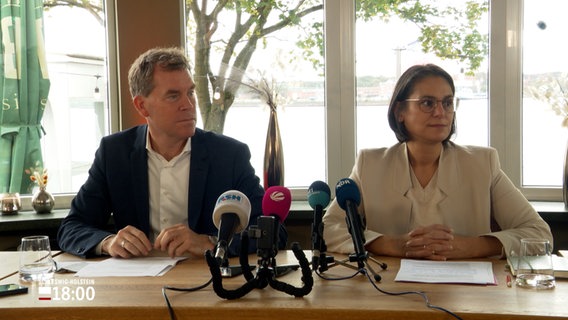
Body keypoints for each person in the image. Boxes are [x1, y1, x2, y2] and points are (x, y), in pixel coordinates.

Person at [57, 47, 286, 258]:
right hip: (137, 287)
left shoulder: (229, 155)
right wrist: (108, 242)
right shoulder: (114, 153)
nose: (188, 104)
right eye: (173, 96)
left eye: (191, 93)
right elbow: (72, 227)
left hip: (206, 283)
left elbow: (272, 232)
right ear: (142, 106)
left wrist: (210, 242)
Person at [322, 64, 552, 261]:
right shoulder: (370, 164)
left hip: (468, 294)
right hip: (390, 290)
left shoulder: (483, 163)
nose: (441, 112)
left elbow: (539, 234)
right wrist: (393, 245)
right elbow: (329, 228)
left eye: (448, 102)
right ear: (400, 111)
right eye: (427, 103)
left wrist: (467, 247)